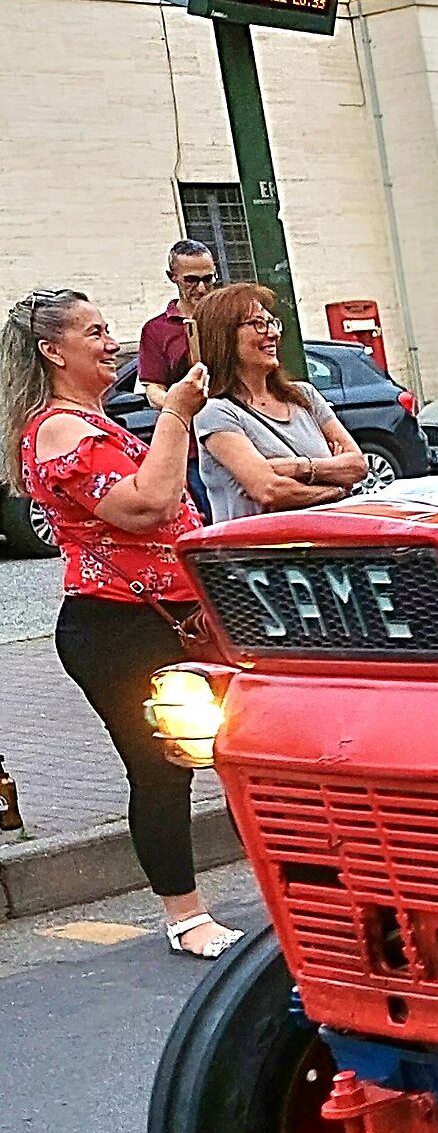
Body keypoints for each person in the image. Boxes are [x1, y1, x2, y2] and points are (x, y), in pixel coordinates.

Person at [0, 288, 239, 960]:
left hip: (170, 618)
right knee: (161, 767)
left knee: (231, 750)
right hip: (118, 627)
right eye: (95, 331)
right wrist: (178, 417)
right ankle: (185, 916)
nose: (113, 342)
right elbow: (147, 505)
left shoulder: (91, 420)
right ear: (53, 351)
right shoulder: (57, 428)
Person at [190, 283, 370, 520]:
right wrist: (335, 485)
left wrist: (296, 468)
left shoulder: (305, 396)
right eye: (258, 324)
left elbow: (358, 465)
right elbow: (269, 490)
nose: (273, 334)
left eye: (272, 323)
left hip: (324, 547)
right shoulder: (216, 411)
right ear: (223, 336)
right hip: (260, 553)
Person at [139, 240, 217, 409]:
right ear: (172, 277)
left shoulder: (230, 318)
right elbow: (154, 389)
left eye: (208, 279)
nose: (202, 288)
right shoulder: (156, 329)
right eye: (191, 280)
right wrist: (181, 407)